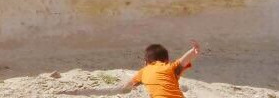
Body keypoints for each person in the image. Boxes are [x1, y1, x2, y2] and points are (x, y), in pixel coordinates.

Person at [58, 41, 201, 97]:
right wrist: (193, 50)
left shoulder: (143, 72)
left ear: (146, 62)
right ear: (166, 60)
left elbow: (125, 88)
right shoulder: (169, 67)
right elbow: (183, 61)